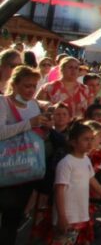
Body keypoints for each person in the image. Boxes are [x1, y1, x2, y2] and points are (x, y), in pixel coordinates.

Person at [0, 65, 51, 243]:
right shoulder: (3, 103)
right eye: (26, 86)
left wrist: (44, 128)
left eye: (34, 86)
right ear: (14, 85)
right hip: (4, 167)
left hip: (24, 169)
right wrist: (29, 123)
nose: (31, 90)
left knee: (12, 220)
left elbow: (34, 135)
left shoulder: (34, 105)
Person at [54, 122, 101, 244]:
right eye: (85, 139)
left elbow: (92, 180)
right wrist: (62, 216)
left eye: (91, 139)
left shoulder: (86, 159)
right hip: (68, 216)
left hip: (80, 214)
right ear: (73, 142)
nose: (90, 143)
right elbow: (59, 190)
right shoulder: (66, 163)